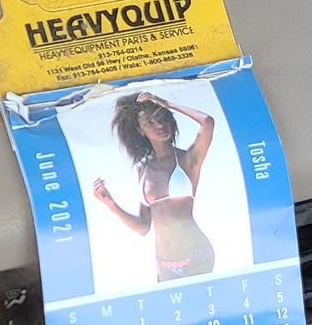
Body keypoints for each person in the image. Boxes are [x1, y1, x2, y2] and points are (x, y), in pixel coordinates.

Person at [91, 91, 218, 281]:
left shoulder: (188, 159)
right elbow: (143, 227)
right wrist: (111, 204)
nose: (159, 125)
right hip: (165, 265)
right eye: (150, 122)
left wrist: (167, 103)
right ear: (140, 129)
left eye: (162, 118)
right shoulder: (142, 169)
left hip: (196, 254)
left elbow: (207, 122)